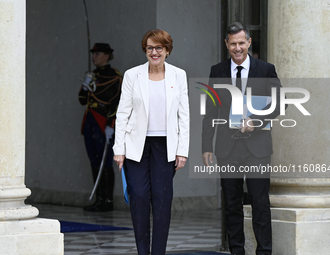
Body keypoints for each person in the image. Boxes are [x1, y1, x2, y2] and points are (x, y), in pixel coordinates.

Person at [202, 22, 283, 255]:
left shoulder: (266, 69)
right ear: (227, 44)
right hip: (227, 148)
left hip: (257, 148)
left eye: (241, 43)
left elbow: (279, 103)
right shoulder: (217, 71)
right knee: (232, 205)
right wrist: (206, 145)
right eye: (233, 44)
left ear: (249, 42)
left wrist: (255, 120)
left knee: (260, 203)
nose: (237, 48)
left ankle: (264, 252)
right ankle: (237, 252)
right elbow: (210, 111)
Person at [113, 29, 189, 255]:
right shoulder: (131, 75)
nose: (154, 52)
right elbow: (122, 113)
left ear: (167, 50)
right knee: (138, 196)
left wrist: (182, 150)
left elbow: (183, 115)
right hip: (136, 145)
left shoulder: (179, 75)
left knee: (162, 200)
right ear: (145, 50)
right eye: (150, 48)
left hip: (166, 146)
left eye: (159, 48)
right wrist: (119, 149)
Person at [78, 43, 122, 212]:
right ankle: (99, 198)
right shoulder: (92, 75)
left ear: (107, 55)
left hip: (104, 121)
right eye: (93, 53)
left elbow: (118, 102)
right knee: (94, 160)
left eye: (98, 53)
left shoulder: (114, 76)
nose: (94, 57)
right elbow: (82, 100)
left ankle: (107, 200)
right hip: (90, 121)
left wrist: (111, 124)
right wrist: (85, 85)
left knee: (105, 161)